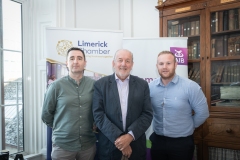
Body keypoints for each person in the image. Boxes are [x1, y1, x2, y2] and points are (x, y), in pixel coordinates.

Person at [92, 49, 153, 160]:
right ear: (113, 63)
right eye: (120, 60)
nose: (123, 64)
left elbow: (147, 114)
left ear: (132, 64)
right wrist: (120, 139)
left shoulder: (142, 85)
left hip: (136, 148)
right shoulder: (100, 85)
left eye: (127, 61)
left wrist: (130, 136)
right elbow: (98, 115)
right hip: (109, 148)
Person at [149, 50, 209, 160]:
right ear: (157, 66)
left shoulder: (190, 86)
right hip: (158, 142)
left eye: (168, 63)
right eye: (161, 64)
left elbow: (203, 113)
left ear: (175, 65)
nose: (165, 67)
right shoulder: (150, 87)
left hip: (182, 143)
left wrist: (189, 126)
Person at [41, 47, 96, 160]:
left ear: (85, 63)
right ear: (67, 63)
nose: (75, 61)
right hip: (63, 146)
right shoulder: (56, 86)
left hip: (88, 146)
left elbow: (99, 110)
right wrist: (63, 127)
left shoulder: (94, 85)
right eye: (72, 58)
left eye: (79, 58)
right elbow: (46, 115)